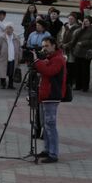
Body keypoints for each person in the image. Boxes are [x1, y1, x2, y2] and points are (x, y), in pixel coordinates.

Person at [34, 35, 65, 164]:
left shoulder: (58, 59)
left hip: (52, 95)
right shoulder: (49, 58)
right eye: (43, 46)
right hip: (45, 95)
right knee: (45, 125)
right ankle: (47, 150)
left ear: (54, 45)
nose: (44, 49)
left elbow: (49, 71)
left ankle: (53, 153)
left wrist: (36, 62)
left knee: (50, 125)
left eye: (46, 46)